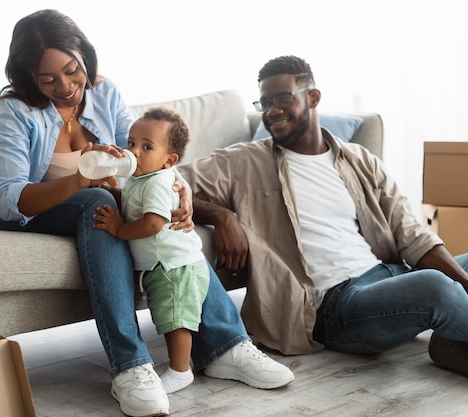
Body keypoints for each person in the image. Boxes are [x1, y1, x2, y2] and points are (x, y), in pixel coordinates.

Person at [0, 10, 294, 417]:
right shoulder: (14, 111)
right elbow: (6, 198)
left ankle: (228, 347)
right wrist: (78, 181)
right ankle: (131, 366)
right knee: (99, 202)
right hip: (20, 210)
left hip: (88, 203)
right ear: (27, 75)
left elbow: (149, 157)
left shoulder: (104, 93)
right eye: (47, 79)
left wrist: (179, 188)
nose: (67, 87)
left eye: (73, 71)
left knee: (159, 220)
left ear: (84, 56)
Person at [179, 54, 468, 376]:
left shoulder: (360, 160)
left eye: (283, 99)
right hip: (335, 306)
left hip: (388, 276)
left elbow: (411, 233)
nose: (272, 111)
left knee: (454, 271)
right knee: (436, 286)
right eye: (264, 103)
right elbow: (168, 182)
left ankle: (451, 346)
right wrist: (221, 215)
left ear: (313, 97)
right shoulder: (242, 161)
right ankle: (452, 335)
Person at [94, 107, 210, 394]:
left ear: (169, 160)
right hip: (167, 264)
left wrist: (119, 229)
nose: (134, 151)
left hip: (173, 266)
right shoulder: (141, 178)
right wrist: (116, 191)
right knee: (169, 316)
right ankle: (180, 366)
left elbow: (153, 222)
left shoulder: (159, 181)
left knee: (176, 321)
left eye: (147, 147)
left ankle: (180, 371)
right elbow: (138, 206)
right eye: (131, 143)